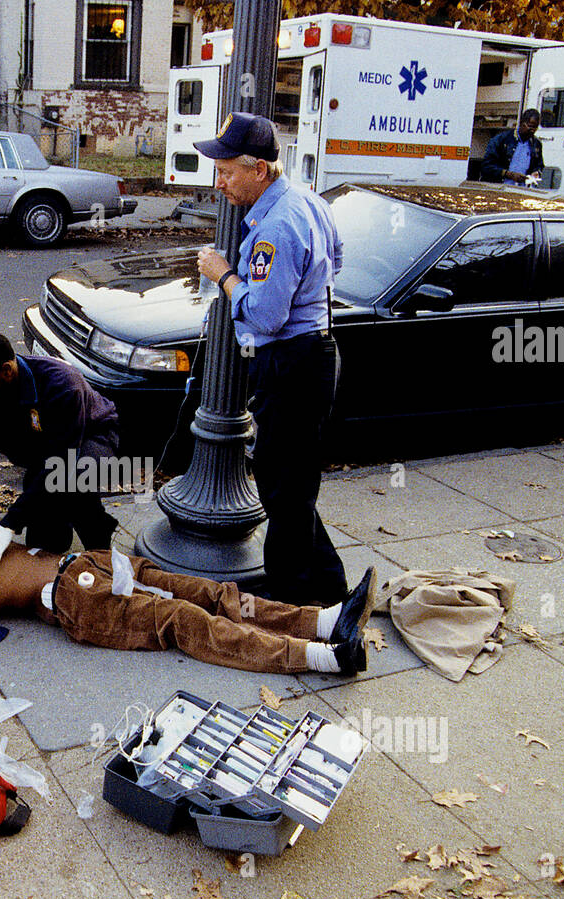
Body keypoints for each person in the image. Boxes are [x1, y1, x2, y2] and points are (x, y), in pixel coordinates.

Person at [0, 515, 376, 676]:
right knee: (186, 621)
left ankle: (321, 620)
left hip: (94, 564)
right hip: (77, 601)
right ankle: (327, 657)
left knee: (210, 591)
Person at [193, 112, 348, 608]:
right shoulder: (306, 200)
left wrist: (224, 275)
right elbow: (337, 260)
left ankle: (289, 600)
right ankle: (327, 585)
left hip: (290, 363)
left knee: (283, 490)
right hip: (312, 355)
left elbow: (264, 316)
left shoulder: (276, 225)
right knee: (291, 485)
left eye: (226, 171)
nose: (219, 183)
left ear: (258, 169)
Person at [0, 330, 121, 577]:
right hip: (44, 450)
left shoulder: (62, 385)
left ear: (6, 371)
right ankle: (61, 521)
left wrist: (9, 525)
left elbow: (62, 464)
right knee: (47, 541)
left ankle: (99, 540)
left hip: (89, 439)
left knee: (76, 484)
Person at [481, 109, 544, 186]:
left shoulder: (536, 144)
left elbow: (539, 165)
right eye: (530, 127)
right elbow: (486, 166)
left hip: (521, 189)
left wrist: (536, 172)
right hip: (500, 187)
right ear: (521, 122)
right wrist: (508, 174)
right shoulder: (501, 140)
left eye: (535, 128)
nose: (532, 131)